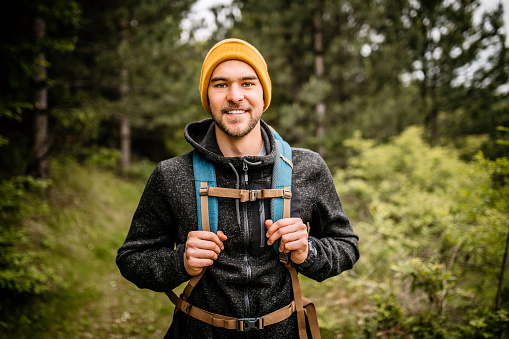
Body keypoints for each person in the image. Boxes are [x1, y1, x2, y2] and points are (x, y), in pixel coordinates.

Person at [116, 38, 359, 338]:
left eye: (247, 83)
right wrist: (179, 262)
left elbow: (347, 245)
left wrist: (308, 251)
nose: (234, 96)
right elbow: (132, 258)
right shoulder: (171, 175)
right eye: (220, 84)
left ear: (263, 94)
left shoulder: (308, 167)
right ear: (207, 96)